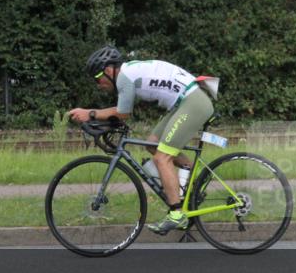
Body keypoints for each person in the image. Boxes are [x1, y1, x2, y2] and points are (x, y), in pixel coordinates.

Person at [67, 44, 215, 235]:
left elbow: (123, 113)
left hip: (193, 102)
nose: (98, 84)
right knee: (152, 144)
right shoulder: (128, 73)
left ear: (109, 71)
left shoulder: (124, 78)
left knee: (162, 158)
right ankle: (194, 175)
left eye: (98, 77)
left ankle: (176, 213)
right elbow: (122, 113)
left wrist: (90, 113)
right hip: (184, 101)